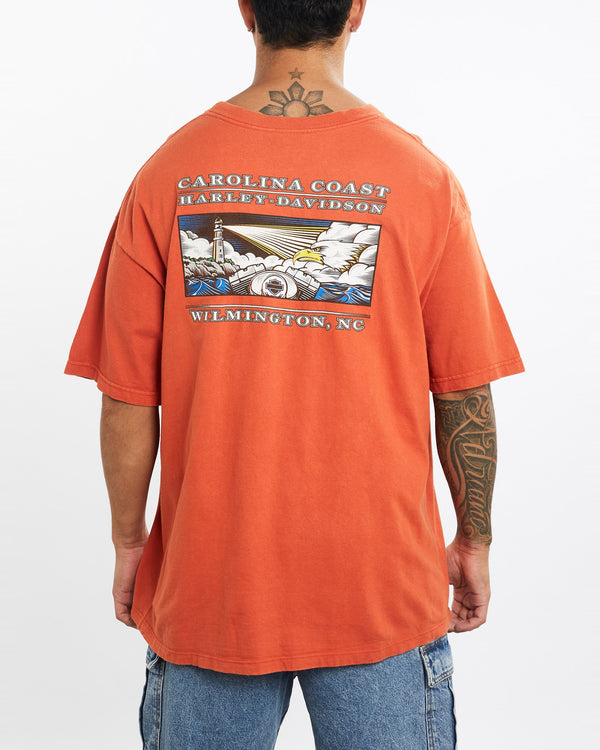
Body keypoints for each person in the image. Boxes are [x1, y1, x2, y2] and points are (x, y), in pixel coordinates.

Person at [65, 0, 524, 747]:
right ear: (357, 11)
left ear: (245, 10)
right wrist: (475, 539)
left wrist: (129, 542)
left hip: (211, 587)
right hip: (380, 588)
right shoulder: (421, 179)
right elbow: (465, 390)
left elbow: (126, 396)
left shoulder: (170, 172)